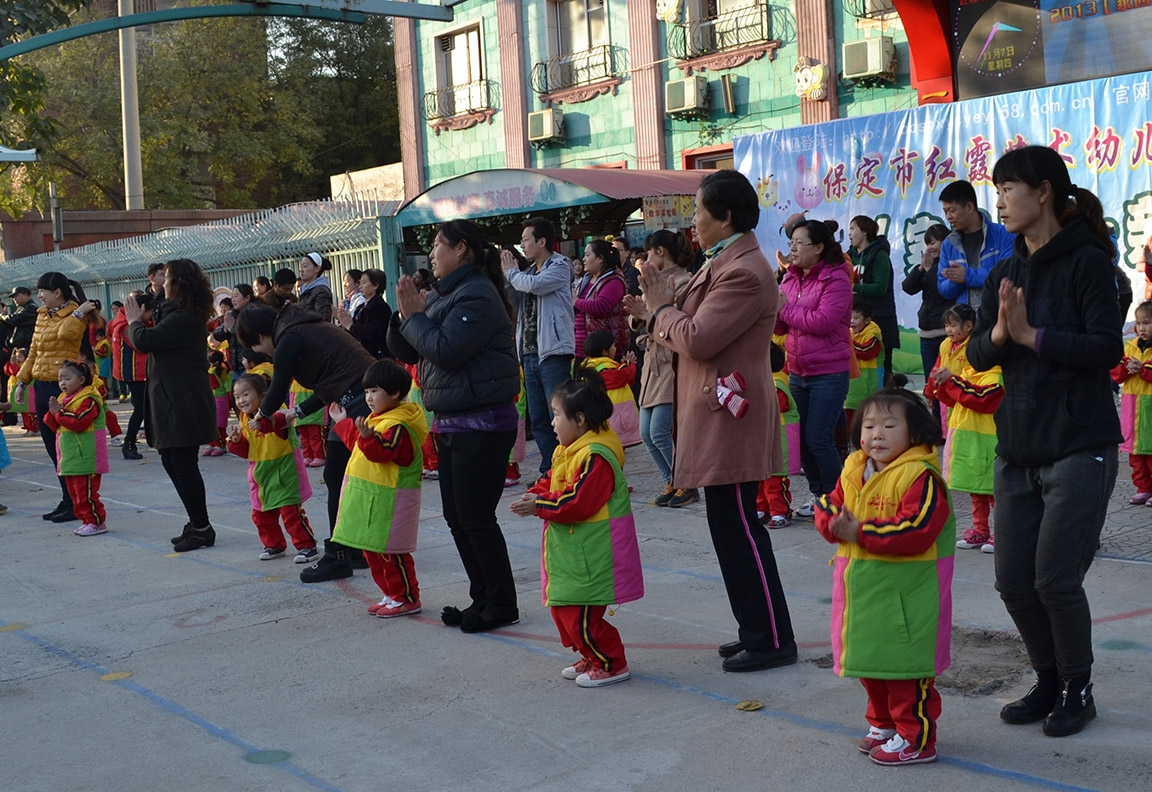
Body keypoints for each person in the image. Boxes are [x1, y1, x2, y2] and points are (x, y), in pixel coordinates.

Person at [968, 145, 1122, 737]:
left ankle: (1078, 687)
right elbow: (979, 351)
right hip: (1018, 448)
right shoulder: (1007, 271)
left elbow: (1107, 347)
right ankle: (1048, 678)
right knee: (1012, 580)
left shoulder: (1088, 263)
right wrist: (1005, 333)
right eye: (997, 189)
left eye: (1010, 188)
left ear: (1044, 193)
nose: (1000, 200)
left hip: (1080, 445)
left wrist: (1034, 336)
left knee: (1055, 581)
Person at [624, 169, 796, 673]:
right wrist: (651, 312)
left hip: (731, 414)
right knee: (729, 527)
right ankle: (756, 628)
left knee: (740, 527)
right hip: (715, 410)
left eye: (699, 211)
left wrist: (659, 312)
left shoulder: (743, 270)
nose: (692, 221)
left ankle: (769, 638)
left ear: (725, 217)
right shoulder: (723, 260)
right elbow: (684, 323)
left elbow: (699, 337)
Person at [389, 219, 522, 633]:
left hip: (482, 424)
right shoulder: (448, 295)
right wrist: (405, 314)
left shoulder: (477, 294)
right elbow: (405, 347)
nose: (431, 253)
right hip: (453, 423)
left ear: (461, 248)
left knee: (476, 517)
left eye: (437, 245)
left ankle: (501, 603)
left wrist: (417, 317)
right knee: (456, 516)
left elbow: (446, 351)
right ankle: (481, 598)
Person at [814, 388, 953, 766]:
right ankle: (885, 724)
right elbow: (831, 503)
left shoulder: (920, 477)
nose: (877, 434)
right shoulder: (854, 468)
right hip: (863, 592)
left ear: (916, 434)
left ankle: (917, 738)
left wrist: (860, 532)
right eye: (869, 425)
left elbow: (918, 528)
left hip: (907, 597)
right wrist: (831, 522)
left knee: (907, 672)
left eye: (890, 425)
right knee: (871, 665)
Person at [510, 369, 643, 687]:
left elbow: (578, 502)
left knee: (581, 615)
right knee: (563, 609)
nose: (552, 423)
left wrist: (539, 507)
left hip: (593, 553)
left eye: (557, 415)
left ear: (580, 420)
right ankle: (591, 654)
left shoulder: (596, 456)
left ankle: (611, 661)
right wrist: (537, 493)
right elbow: (550, 481)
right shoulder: (566, 452)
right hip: (572, 551)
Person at [236, 300, 376, 582]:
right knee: (339, 477)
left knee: (342, 477)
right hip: (349, 401)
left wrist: (263, 415)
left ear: (261, 337)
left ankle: (340, 553)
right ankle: (352, 549)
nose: (262, 352)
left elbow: (277, 387)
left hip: (360, 402)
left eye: (257, 347)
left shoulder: (289, 338)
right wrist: (295, 413)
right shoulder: (300, 327)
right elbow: (328, 383)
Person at [126, 259, 218, 552]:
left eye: (167, 279)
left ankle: (202, 528)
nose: (161, 283)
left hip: (184, 401)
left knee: (183, 462)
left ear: (179, 284)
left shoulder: (185, 317)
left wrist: (134, 322)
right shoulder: (174, 311)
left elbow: (145, 341)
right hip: (173, 397)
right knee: (170, 459)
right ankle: (197, 522)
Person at [329, 359, 429, 619]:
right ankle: (390, 594)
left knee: (392, 553)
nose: (369, 398)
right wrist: (343, 423)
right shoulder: (379, 420)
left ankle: (406, 597)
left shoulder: (398, 425)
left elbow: (383, 452)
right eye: (366, 392)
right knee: (372, 550)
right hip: (374, 501)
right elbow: (359, 444)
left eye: (375, 391)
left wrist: (366, 437)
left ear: (395, 393)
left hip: (391, 503)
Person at [776, 219, 854, 518]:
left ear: (819, 247)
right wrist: (773, 309)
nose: (793, 248)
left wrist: (784, 308)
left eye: (799, 242)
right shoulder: (790, 278)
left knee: (819, 438)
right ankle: (820, 495)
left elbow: (823, 322)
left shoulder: (835, 279)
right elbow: (783, 324)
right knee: (803, 442)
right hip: (798, 371)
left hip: (829, 373)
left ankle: (840, 499)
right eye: (791, 242)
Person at [13, 273, 98, 522]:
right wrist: (21, 380)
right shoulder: (41, 314)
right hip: (41, 385)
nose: (39, 296)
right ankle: (67, 499)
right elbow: (34, 352)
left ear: (57, 292)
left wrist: (79, 313)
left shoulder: (76, 313)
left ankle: (76, 501)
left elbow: (65, 336)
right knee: (52, 447)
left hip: (63, 388)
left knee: (66, 447)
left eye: (43, 292)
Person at [502, 217, 575, 480]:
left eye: (525, 239)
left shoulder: (560, 265)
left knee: (561, 415)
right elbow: (516, 299)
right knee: (540, 418)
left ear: (542, 241)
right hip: (530, 353)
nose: (522, 245)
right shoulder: (528, 272)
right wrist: (507, 276)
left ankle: (568, 468)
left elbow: (534, 286)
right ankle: (550, 469)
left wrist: (511, 273)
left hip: (553, 352)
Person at [228, 373, 318, 564]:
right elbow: (247, 451)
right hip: (260, 474)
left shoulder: (278, 411)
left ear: (262, 396)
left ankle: (307, 546)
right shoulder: (245, 419)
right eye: (237, 397)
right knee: (261, 515)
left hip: (284, 470)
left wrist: (261, 423)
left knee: (290, 513)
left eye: (245, 394)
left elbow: (276, 424)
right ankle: (274, 545)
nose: (241, 400)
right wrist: (236, 442)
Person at [636, 229, 693, 506]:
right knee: (645, 433)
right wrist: (639, 315)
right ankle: (671, 479)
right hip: (652, 365)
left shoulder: (684, 282)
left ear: (660, 251)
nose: (645, 259)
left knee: (660, 430)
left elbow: (674, 323)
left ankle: (686, 482)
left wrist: (646, 316)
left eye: (648, 253)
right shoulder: (655, 282)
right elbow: (646, 322)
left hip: (670, 364)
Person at [43, 361, 111, 537]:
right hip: (70, 455)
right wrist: (52, 413)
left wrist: (59, 413)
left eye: (67, 378)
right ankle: (86, 520)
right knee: (75, 493)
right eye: (60, 379)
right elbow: (53, 424)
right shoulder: (63, 399)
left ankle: (96, 522)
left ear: (81, 380)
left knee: (86, 493)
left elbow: (79, 422)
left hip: (87, 455)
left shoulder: (89, 399)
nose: (63, 383)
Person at [936, 180, 1015, 308]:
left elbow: (1008, 275)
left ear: (970, 207)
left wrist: (967, 276)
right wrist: (958, 279)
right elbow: (943, 289)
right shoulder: (948, 244)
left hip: (998, 320)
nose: (949, 217)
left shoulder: (1003, 235)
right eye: (945, 212)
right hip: (964, 324)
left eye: (952, 210)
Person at [902, 223, 953, 398]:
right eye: (927, 243)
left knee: (945, 386)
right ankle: (934, 423)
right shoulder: (928, 265)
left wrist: (931, 270)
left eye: (933, 242)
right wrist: (921, 269)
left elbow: (942, 291)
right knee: (931, 387)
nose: (930, 247)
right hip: (926, 335)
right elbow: (908, 288)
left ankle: (944, 424)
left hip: (945, 334)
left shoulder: (950, 264)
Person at [848, 216, 899, 385]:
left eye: (853, 228)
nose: (849, 233)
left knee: (882, 369)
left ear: (864, 232)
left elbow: (880, 288)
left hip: (880, 319)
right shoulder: (848, 256)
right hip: (855, 319)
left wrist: (855, 288)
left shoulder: (879, 255)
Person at [1114, 300, 1152, 504]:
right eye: (1139, 323)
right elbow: (1116, 374)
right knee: (1135, 453)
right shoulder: (1129, 347)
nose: (1142, 328)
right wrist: (1125, 368)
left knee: (1151, 451)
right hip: (1132, 407)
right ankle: (1143, 487)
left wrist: (1144, 370)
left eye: (1147, 322)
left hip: (1149, 409)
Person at [108, 292, 152, 460]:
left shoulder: (121, 319)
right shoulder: (128, 325)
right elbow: (141, 343)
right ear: (141, 309)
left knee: (145, 408)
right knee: (140, 409)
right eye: (150, 312)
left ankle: (148, 440)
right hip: (134, 372)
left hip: (135, 371)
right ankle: (129, 444)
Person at [757, 343, 797, 528]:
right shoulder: (767, 380)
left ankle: (781, 512)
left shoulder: (776, 383)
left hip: (779, 443)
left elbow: (771, 407)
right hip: (765, 441)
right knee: (759, 479)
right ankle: (762, 509)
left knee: (775, 482)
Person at [579, 330, 640, 448]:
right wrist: (629, 365)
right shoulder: (602, 368)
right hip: (615, 419)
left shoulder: (589, 367)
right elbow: (623, 376)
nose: (616, 348)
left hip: (608, 418)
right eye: (613, 345)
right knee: (616, 452)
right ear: (605, 351)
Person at [574, 239, 629, 361]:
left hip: (604, 352)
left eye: (587, 255)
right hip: (581, 351)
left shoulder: (613, 280)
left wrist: (576, 301)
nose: (583, 259)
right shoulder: (585, 280)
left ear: (600, 259)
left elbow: (601, 306)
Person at [926, 303, 975, 439]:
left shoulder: (974, 347)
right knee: (949, 431)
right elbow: (936, 369)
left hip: (964, 397)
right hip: (946, 399)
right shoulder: (945, 344)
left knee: (963, 432)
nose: (948, 330)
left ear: (968, 326)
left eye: (953, 326)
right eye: (947, 326)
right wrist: (930, 392)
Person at [337, 268, 391, 358]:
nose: (360, 286)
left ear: (375, 285)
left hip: (376, 357)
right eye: (360, 283)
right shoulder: (362, 306)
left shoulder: (379, 307)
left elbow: (370, 333)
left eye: (364, 283)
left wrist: (350, 326)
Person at [844, 300, 882, 429]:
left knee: (863, 409)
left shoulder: (873, 334)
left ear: (867, 320)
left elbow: (866, 351)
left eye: (856, 318)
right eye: (850, 317)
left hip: (865, 380)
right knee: (848, 407)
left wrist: (847, 343)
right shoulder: (850, 333)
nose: (852, 321)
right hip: (852, 380)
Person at [204, 347, 232, 457]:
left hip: (217, 399)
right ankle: (212, 443)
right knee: (214, 423)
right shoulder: (222, 369)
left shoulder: (212, 372)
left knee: (217, 423)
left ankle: (220, 444)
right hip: (219, 398)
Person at [297, 252, 335, 319]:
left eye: (305, 266)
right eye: (301, 266)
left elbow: (324, 318)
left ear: (317, 269)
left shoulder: (321, 291)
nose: (301, 270)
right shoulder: (303, 289)